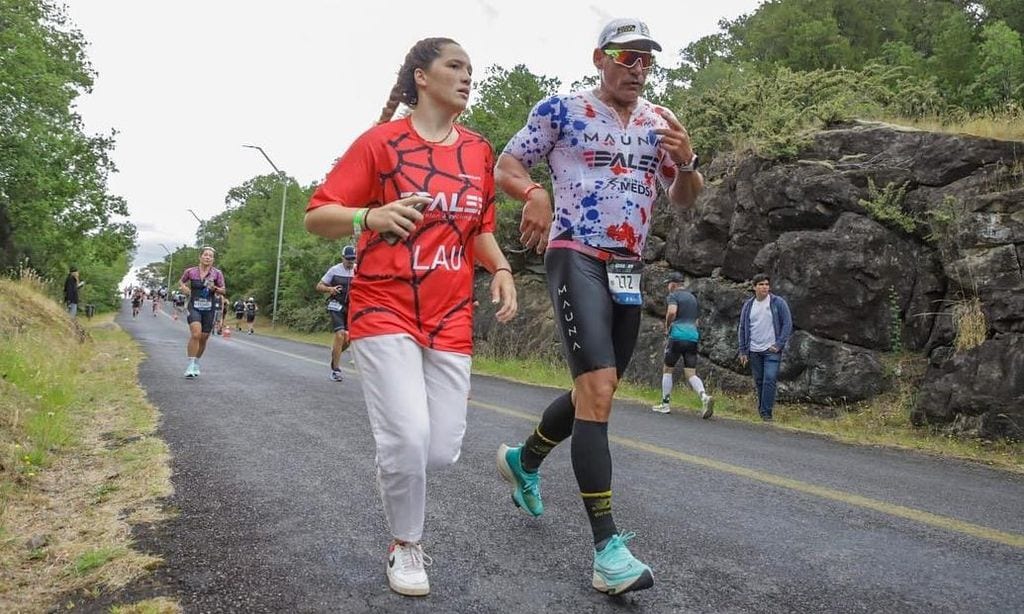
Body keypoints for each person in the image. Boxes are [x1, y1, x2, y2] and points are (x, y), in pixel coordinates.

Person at [493, 18, 704, 596]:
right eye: (626, 56)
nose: (637, 68)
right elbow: (507, 165)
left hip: (628, 268)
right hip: (575, 254)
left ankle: (525, 458)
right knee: (602, 388)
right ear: (599, 58)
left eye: (646, 60)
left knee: (596, 387)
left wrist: (686, 163)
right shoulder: (560, 111)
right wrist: (534, 193)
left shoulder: (662, 123)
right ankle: (608, 550)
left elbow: (684, 202)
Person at [304, 36, 517, 597]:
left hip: (450, 315)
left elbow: (480, 229)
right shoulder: (380, 143)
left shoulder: (478, 151)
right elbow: (318, 216)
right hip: (382, 304)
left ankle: (399, 452)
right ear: (422, 77)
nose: (467, 76)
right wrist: (369, 216)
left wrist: (500, 269)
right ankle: (406, 544)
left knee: (439, 449)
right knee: (406, 438)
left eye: (471, 68)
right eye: (455, 66)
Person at [652, 272, 713, 418]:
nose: (668, 286)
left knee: (668, 369)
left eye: (669, 283)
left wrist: (668, 325)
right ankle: (704, 396)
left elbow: (672, 311)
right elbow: (697, 320)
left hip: (677, 335)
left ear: (673, 284)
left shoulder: (673, 296)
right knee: (690, 372)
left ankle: (665, 404)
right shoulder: (693, 298)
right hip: (692, 336)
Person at [737, 274, 793, 422]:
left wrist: (779, 344)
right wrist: (743, 350)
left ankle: (766, 413)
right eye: (761, 284)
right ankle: (762, 411)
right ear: (754, 287)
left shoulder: (777, 302)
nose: (764, 287)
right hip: (754, 350)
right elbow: (743, 327)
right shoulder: (748, 305)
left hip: (771, 350)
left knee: (770, 379)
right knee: (759, 381)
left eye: (767, 284)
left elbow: (787, 324)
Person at [178, 247, 226, 378]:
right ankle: (190, 364)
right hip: (194, 306)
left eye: (210, 256)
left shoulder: (217, 273)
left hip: (209, 308)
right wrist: (184, 288)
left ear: (213, 260)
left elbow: (223, 290)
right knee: (196, 334)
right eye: (205, 255)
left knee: (204, 338)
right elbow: (181, 281)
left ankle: (196, 363)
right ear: (200, 257)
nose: (208, 257)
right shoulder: (191, 271)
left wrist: (214, 287)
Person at [316, 244, 357, 381]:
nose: (350, 261)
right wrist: (330, 289)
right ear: (342, 257)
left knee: (349, 338)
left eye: (353, 258)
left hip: (352, 307)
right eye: (348, 259)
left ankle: (335, 354)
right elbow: (319, 286)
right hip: (336, 305)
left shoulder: (358, 270)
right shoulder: (334, 270)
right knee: (340, 335)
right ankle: (336, 370)